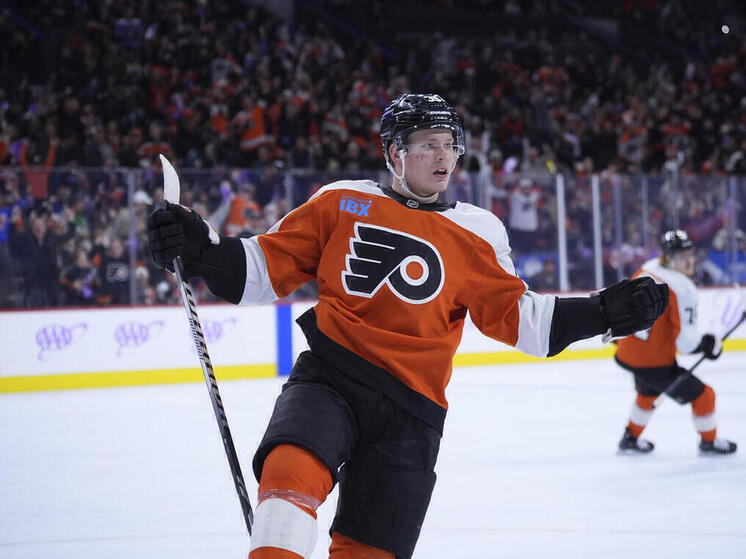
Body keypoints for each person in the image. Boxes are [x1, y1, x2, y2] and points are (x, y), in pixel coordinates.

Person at [147, 93, 669, 559]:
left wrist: (603, 311)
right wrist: (200, 247)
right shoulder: (341, 201)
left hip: (412, 413)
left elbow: (523, 322)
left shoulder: (478, 231)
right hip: (330, 378)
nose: (444, 156)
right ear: (394, 152)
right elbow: (261, 271)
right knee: (286, 486)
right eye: (428, 144)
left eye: (450, 144)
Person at [615, 229, 737, 455]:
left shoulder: (647, 269)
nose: (689, 261)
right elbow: (686, 343)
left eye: (690, 254)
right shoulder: (681, 288)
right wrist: (707, 345)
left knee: (648, 393)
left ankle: (630, 438)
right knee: (704, 396)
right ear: (668, 258)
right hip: (654, 361)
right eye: (682, 257)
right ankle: (709, 442)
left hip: (627, 352)